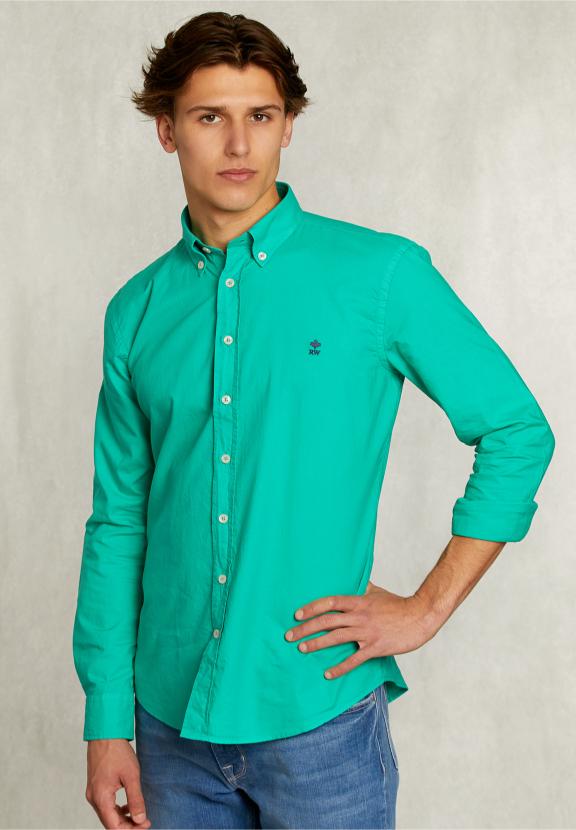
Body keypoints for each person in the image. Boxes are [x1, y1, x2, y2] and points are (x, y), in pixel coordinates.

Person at [72, 10, 556, 830]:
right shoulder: (137, 311)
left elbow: (516, 429)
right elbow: (119, 522)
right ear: (166, 130)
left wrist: (427, 606)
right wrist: (106, 720)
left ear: (288, 125)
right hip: (166, 726)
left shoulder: (380, 274)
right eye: (209, 117)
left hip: (320, 720)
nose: (239, 144)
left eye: (261, 116)